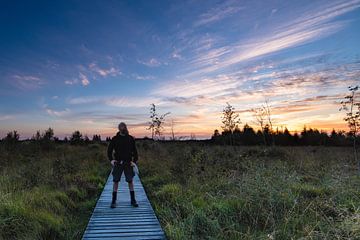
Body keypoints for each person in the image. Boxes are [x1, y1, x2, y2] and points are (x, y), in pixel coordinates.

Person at [107, 122, 139, 208]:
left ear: (126, 127)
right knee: (115, 181)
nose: (122, 128)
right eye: (120, 127)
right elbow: (109, 151)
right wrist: (111, 160)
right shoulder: (115, 139)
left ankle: (133, 200)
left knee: (130, 181)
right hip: (118, 163)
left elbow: (135, 151)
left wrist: (134, 161)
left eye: (123, 127)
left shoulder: (130, 138)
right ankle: (113, 201)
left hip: (128, 163)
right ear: (118, 128)